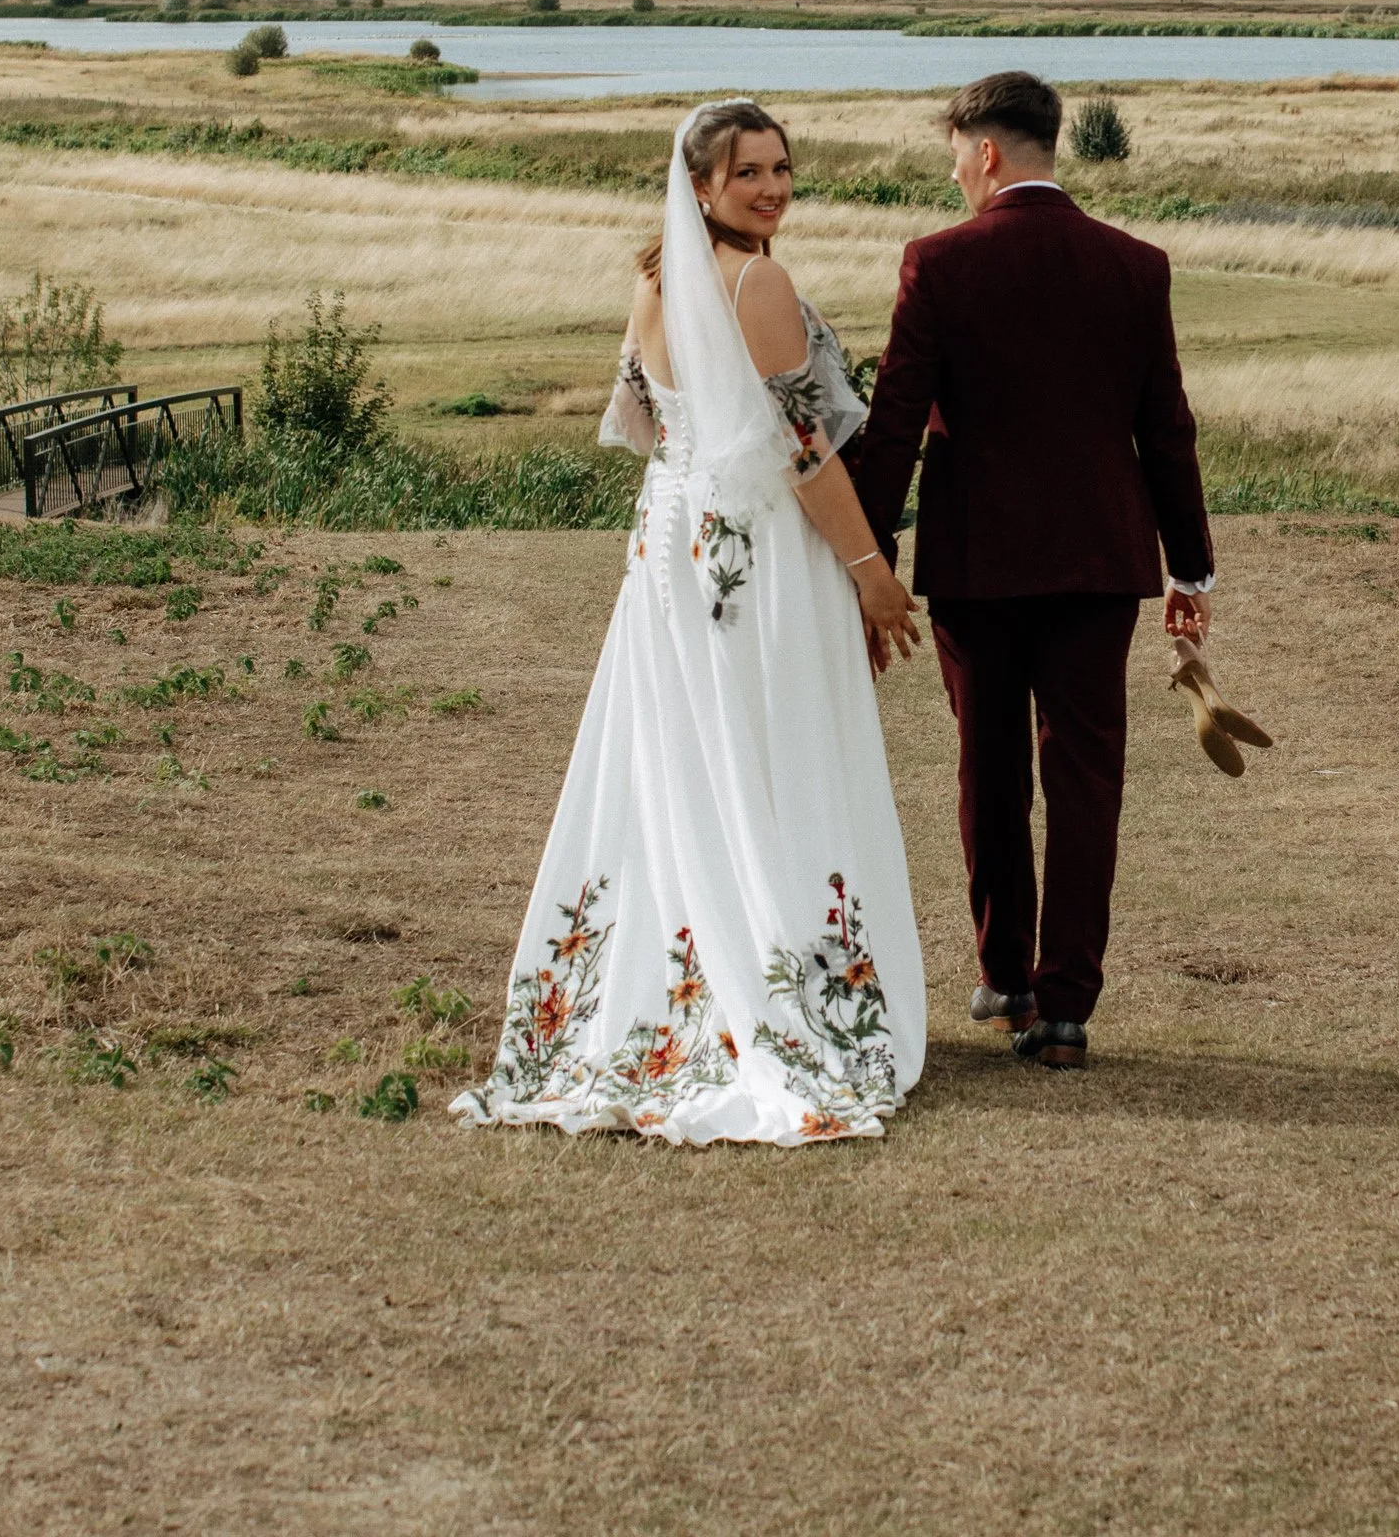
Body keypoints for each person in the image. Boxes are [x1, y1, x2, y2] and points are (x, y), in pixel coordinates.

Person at [453, 100, 926, 1145]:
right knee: (767, 748)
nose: (770, 189)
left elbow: (640, 418)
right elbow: (803, 450)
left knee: (685, 753)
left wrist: (700, 471)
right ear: (700, 186)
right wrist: (869, 572)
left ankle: (687, 977)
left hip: (671, 540)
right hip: (750, 548)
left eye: (782, 169)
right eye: (747, 173)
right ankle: (772, 997)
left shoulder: (655, 279)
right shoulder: (756, 282)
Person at [851, 70, 1214, 1072]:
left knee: (989, 766)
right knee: (1086, 776)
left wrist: (866, 557)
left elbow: (891, 425)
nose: (955, 179)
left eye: (954, 162)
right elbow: (1166, 433)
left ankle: (1004, 975)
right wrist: (1191, 571)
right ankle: (1064, 1009)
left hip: (975, 559)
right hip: (1102, 561)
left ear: (983, 152)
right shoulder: (1136, 265)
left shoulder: (936, 263)